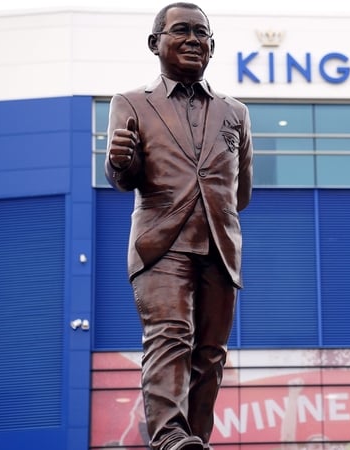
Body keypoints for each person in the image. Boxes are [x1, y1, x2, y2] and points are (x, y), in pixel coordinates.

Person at [104, 2, 254, 450]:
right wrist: (118, 161)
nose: (194, 39)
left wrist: (215, 209)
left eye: (202, 33)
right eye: (182, 30)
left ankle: (195, 439)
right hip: (161, 242)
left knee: (210, 354)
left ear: (212, 46)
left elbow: (241, 192)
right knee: (171, 336)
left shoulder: (235, 112)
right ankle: (169, 435)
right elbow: (123, 177)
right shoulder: (131, 102)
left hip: (219, 244)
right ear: (155, 44)